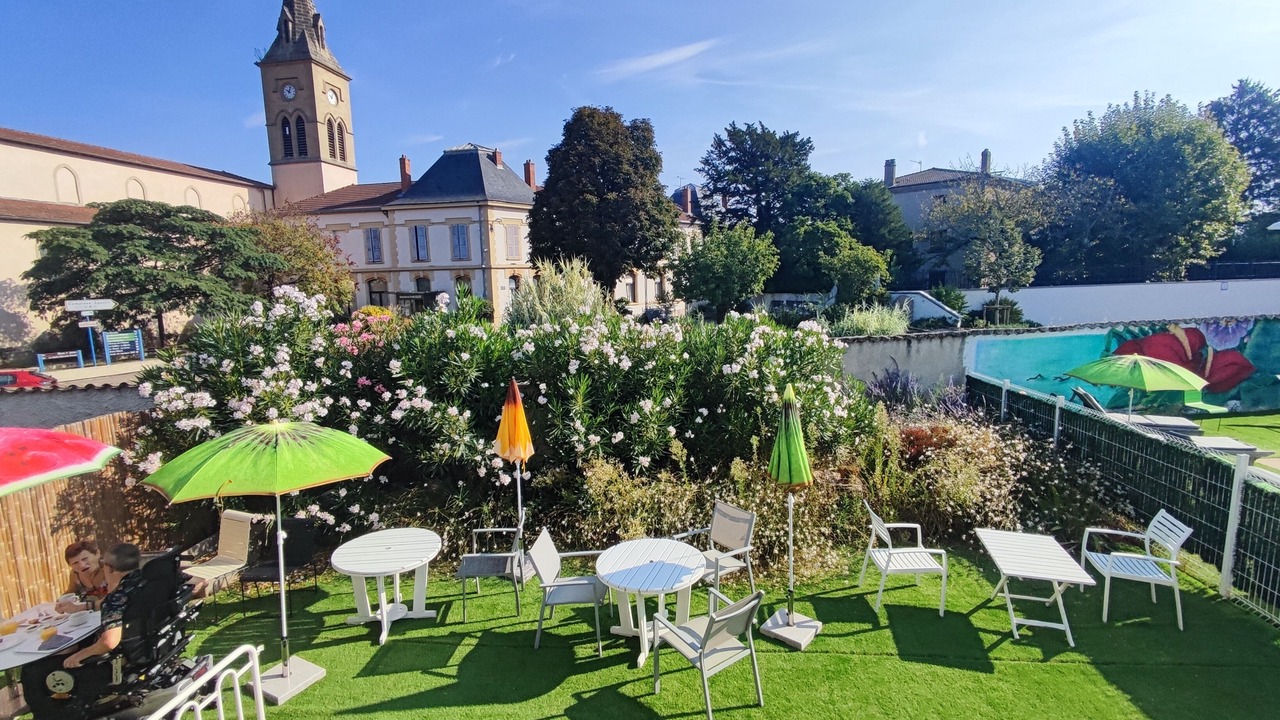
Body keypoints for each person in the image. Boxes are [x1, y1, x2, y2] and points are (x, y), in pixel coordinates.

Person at [22, 544, 145, 719]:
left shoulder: (115, 599)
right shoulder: (144, 583)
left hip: (113, 663)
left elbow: (109, 642)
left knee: (32, 671)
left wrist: (78, 656)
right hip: (140, 649)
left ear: (108, 568)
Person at [55, 540, 108, 613]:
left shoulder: (110, 570)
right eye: (75, 563)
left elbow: (113, 600)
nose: (81, 565)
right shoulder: (75, 574)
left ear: (97, 554)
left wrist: (78, 608)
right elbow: (70, 591)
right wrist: (60, 603)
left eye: (85, 559)